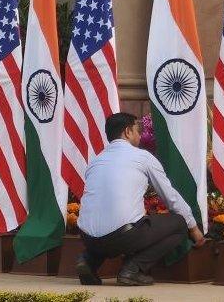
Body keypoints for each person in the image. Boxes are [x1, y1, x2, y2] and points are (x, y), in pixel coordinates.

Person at [76, 112, 205, 286]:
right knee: (179, 224)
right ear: (128, 132)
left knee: (110, 228)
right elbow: (170, 197)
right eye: (138, 130)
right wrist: (194, 228)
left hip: (88, 238)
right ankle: (132, 270)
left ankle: (87, 261)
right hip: (123, 237)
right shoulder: (142, 157)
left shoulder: (95, 161)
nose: (140, 135)